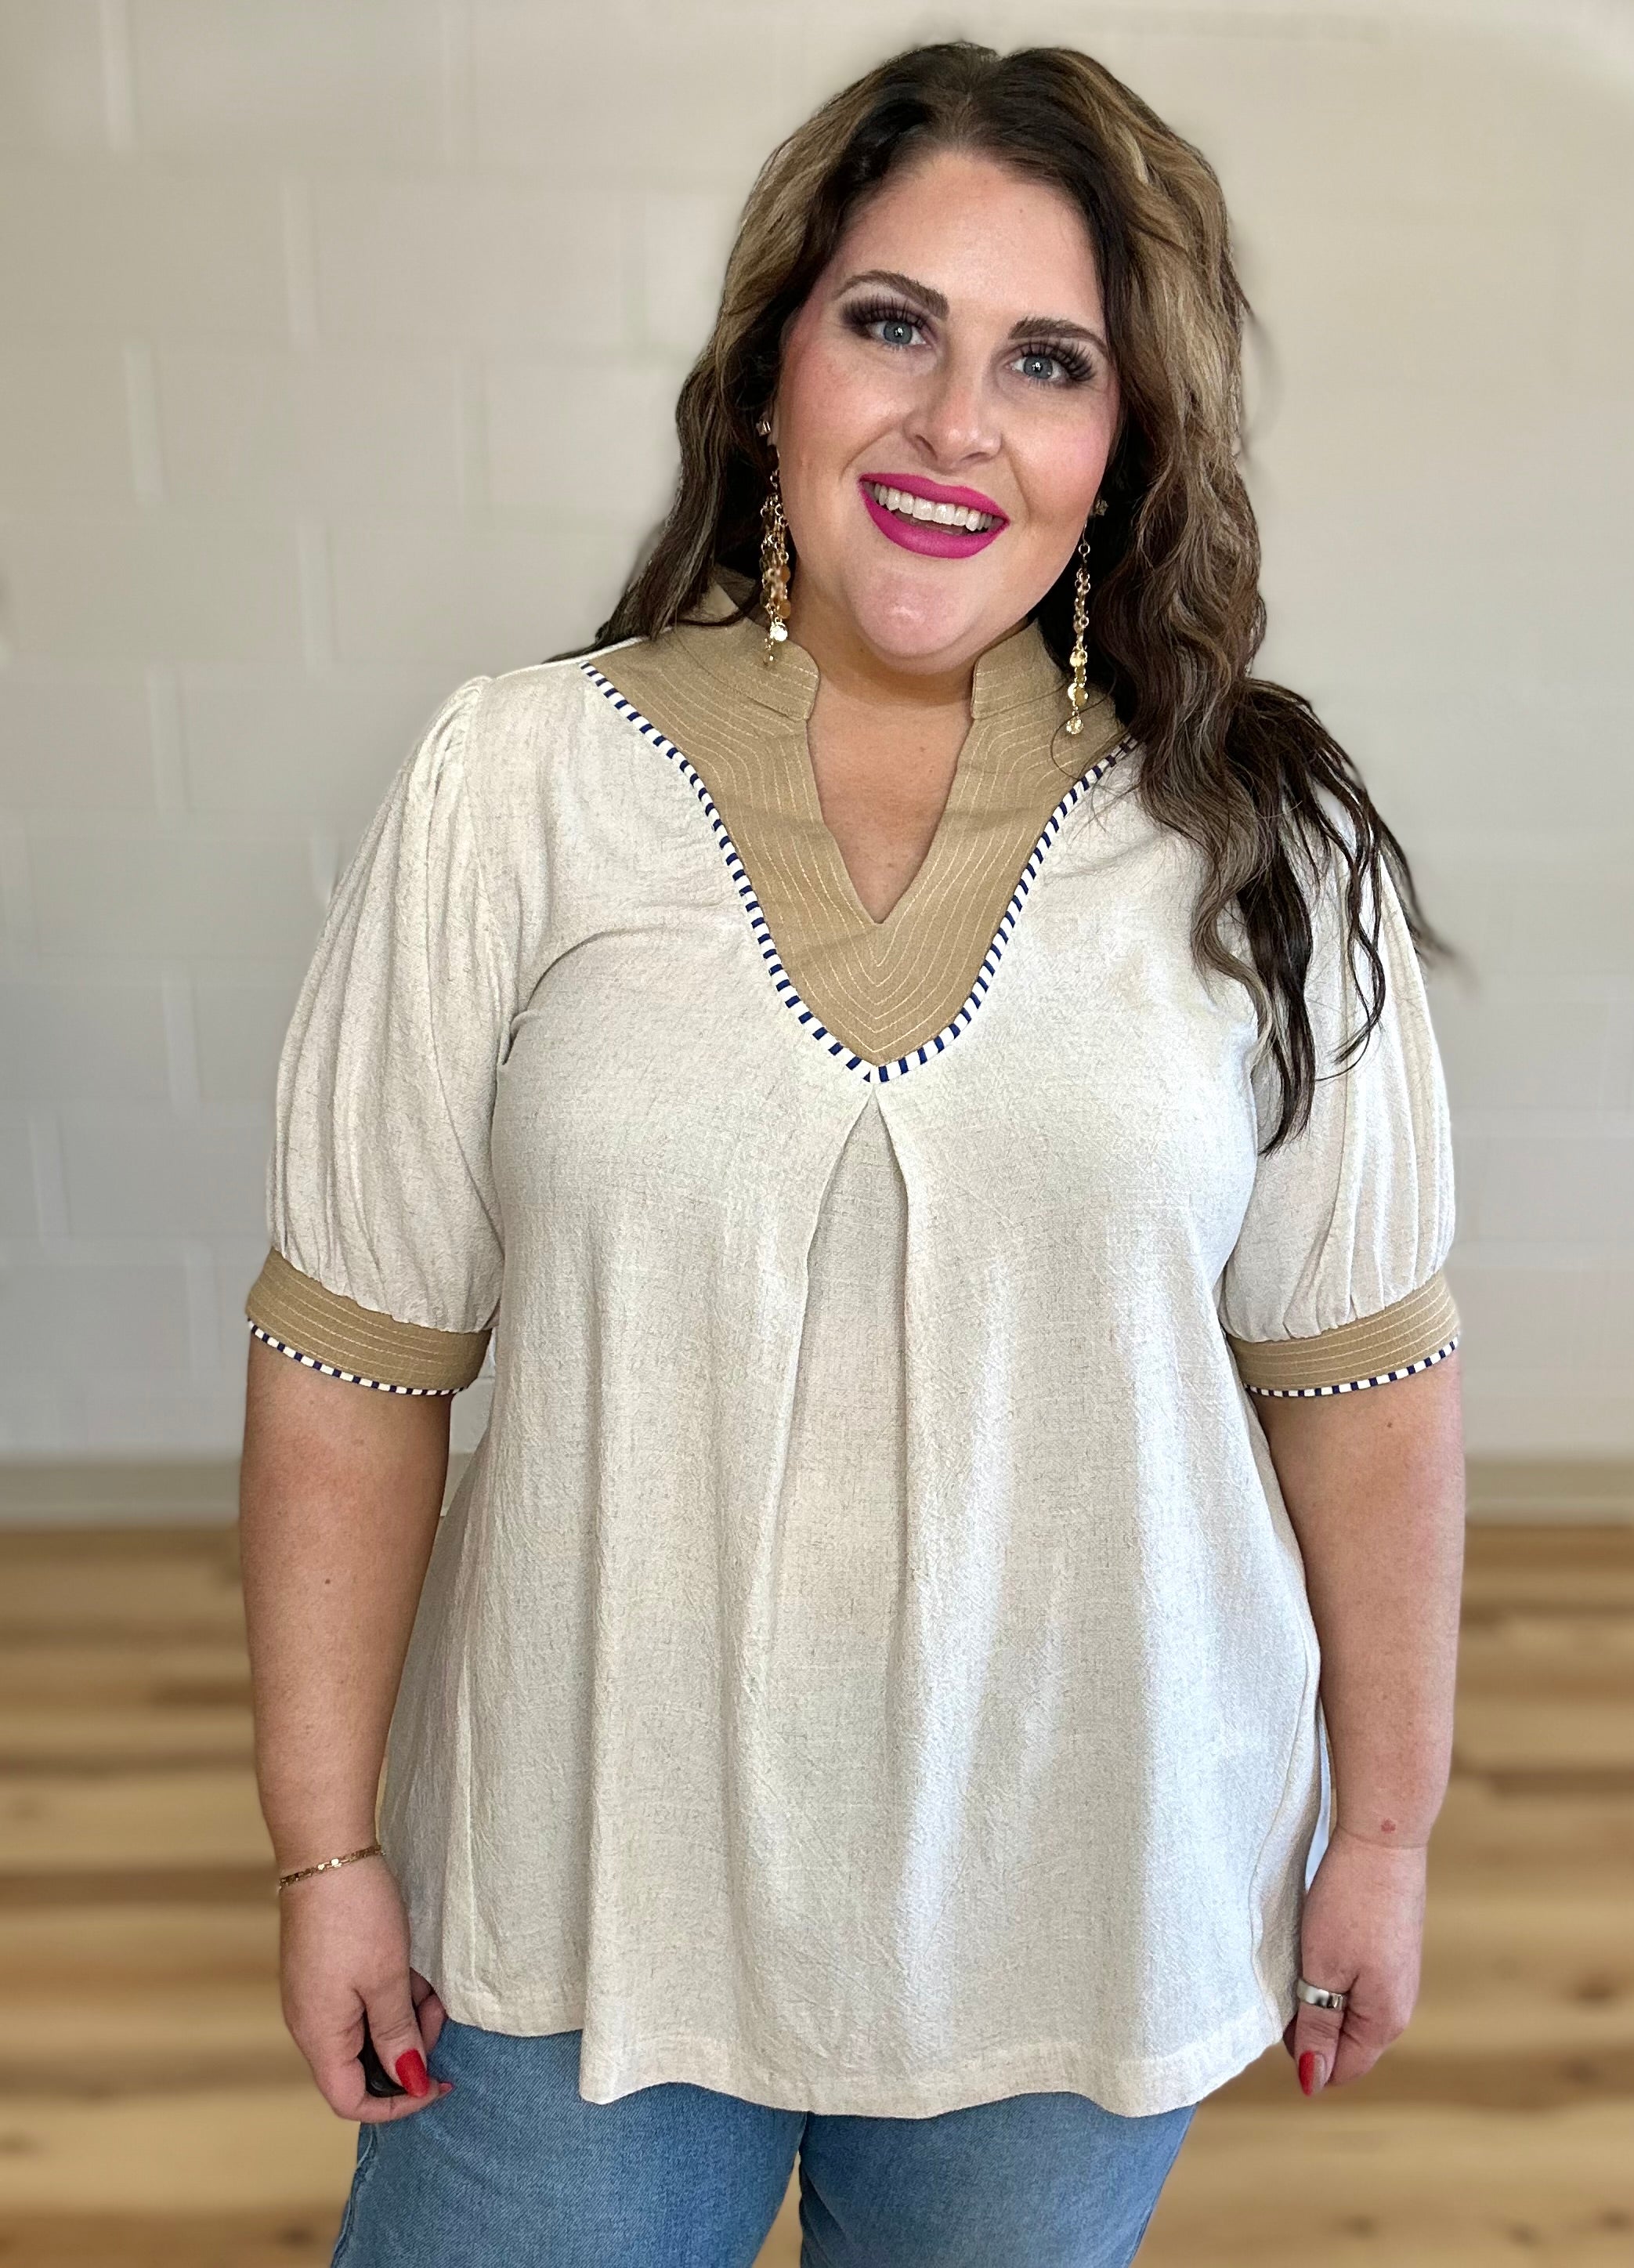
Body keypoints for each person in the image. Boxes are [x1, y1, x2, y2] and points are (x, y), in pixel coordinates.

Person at [237, 38, 1466, 2268]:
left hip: (1077, 1903)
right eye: (893, 324)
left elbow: (1364, 1386)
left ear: (1124, 442)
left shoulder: (1262, 845)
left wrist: (1381, 1832)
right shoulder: (513, 782)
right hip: (576, 1900)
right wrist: (328, 1857)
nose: (953, 423)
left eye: (1047, 362)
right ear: (772, 366)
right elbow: (353, 1362)